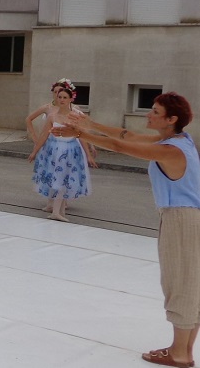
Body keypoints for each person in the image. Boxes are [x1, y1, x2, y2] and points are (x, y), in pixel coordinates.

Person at [55, 93, 200, 368]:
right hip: (188, 217)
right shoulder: (179, 140)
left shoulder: (170, 150)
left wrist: (80, 133)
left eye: (155, 112)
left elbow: (119, 146)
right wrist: (89, 124)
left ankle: (180, 353)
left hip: (182, 219)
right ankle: (184, 350)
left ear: (171, 119)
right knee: (191, 285)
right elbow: (127, 135)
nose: (148, 114)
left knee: (180, 284)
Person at [28, 85, 91, 223]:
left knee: (66, 178)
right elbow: (44, 135)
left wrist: (88, 154)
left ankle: (59, 210)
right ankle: (56, 211)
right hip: (56, 150)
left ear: (70, 99)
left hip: (71, 150)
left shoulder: (75, 116)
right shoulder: (52, 116)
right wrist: (35, 151)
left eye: (65, 97)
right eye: (60, 97)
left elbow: (81, 136)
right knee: (59, 178)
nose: (61, 100)